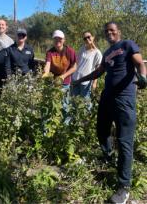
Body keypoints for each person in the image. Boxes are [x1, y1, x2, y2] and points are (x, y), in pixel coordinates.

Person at [72, 22, 146, 203]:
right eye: (106, 31)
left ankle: (124, 187)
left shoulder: (127, 45)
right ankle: (109, 157)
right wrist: (79, 79)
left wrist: (144, 77)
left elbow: (139, 63)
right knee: (101, 131)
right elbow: (98, 72)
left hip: (124, 100)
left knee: (124, 141)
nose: (109, 33)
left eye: (112, 30)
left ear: (118, 31)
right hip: (107, 98)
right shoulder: (106, 53)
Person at [43, 30, 77, 119]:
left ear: (64, 40)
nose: (58, 40)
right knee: (50, 104)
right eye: (55, 38)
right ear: (53, 40)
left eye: (60, 38)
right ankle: (50, 123)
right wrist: (45, 73)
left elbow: (74, 67)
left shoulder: (70, 51)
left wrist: (63, 76)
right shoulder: (50, 52)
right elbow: (48, 64)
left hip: (65, 82)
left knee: (65, 105)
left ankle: (65, 127)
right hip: (53, 82)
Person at [71, 31, 102, 101]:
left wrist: (94, 83)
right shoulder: (82, 48)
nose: (87, 39)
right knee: (74, 102)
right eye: (85, 38)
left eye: (89, 37)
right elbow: (76, 62)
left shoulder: (97, 53)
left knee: (85, 104)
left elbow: (98, 70)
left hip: (86, 82)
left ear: (93, 37)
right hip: (75, 79)